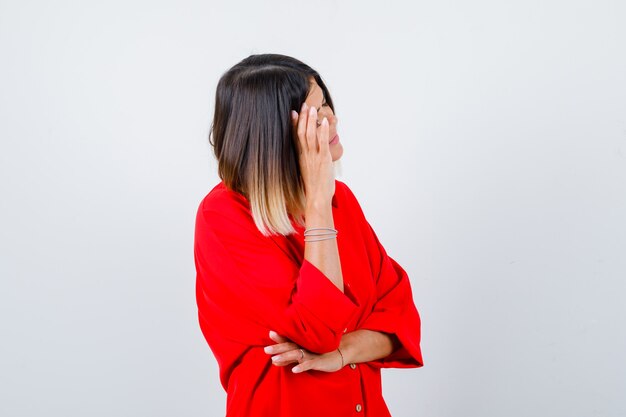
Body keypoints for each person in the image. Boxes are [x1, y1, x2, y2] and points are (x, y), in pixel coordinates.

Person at [194, 53, 423, 417]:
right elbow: (316, 330)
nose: (332, 119)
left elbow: (400, 319)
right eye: (315, 114)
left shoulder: (342, 201)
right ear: (274, 135)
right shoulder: (223, 215)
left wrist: (340, 354)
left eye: (327, 104)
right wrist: (318, 200)